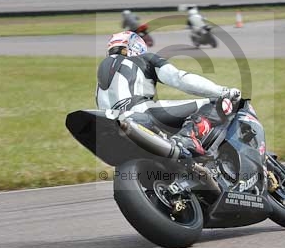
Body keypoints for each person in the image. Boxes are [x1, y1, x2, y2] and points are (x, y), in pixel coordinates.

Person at [96, 30, 241, 158]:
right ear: (135, 46)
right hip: (141, 111)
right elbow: (179, 79)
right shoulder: (144, 59)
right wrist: (223, 91)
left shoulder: (101, 75)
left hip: (113, 124)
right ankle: (186, 138)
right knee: (218, 102)